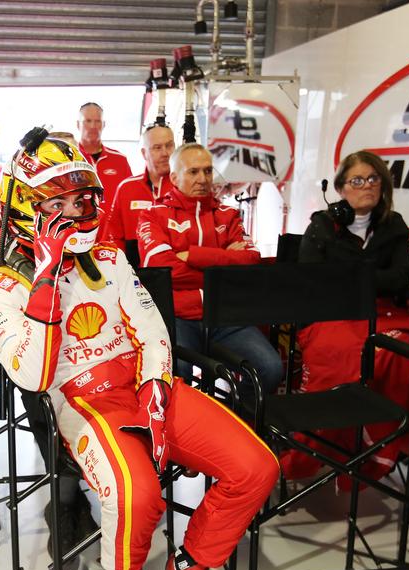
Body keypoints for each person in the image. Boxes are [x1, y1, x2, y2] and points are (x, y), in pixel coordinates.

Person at [0, 131, 278, 570]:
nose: (76, 210)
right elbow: (32, 376)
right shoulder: (0, 283)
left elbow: (153, 328)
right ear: (27, 206)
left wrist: (156, 386)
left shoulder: (110, 257)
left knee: (256, 466)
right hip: (80, 402)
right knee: (138, 494)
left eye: (82, 198)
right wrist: (49, 275)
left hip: (144, 385)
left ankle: (193, 562)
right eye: (59, 201)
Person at [287, 150, 409, 483]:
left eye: (373, 179)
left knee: (403, 351)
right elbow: (312, 278)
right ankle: (319, 444)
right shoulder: (323, 224)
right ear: (341, 188)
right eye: (356, 180)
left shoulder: (394, 226)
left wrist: (352, 274)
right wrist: (369, 275)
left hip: (383, 316)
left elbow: (402, 277)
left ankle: (375, 449)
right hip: (331, 314)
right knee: (340, 351)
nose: (366, 186)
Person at [136, 142, 283, 390]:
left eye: (207, 171)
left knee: (270, 368)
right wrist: (224, 261)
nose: (203, 179)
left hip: (225, 316)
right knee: (177, 373)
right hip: (178, 317)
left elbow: (251, 262)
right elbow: (163, 271)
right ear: (174, 177)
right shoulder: (153, 215)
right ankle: (185, 426)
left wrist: (193, 255)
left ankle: (236, 422)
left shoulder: (229, 214)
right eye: (193, 172)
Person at [102, 123, 176, 265]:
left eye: (169, 145)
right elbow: (113, 237)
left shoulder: (185, 186)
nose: (165, 153)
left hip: (176, 272)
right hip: (135, 274)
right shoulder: (126, 188)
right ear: (144, 153)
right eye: (157, 147)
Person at [76, 102, 132, 209]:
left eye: (98, 121)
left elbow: (129, 198)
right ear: (78, 124)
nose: (93, 126)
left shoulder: (120, 160)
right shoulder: (68, 159)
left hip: (113, 225)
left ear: (104, 124)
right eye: (88, 121)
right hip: (78, 225)